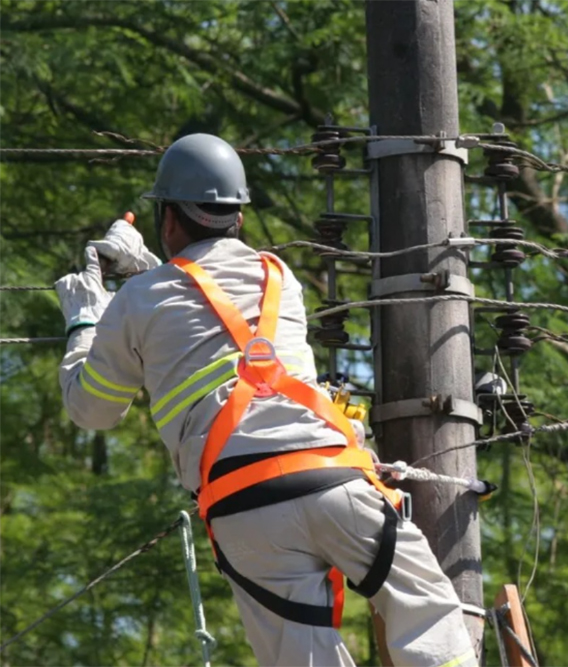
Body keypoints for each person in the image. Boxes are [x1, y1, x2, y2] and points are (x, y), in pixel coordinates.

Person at [55, 133, 476, 667]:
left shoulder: (139, 302)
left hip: (246, 513)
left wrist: (86, 319)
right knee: (430, 617)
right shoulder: (281, 277)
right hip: (331, 480)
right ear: (240, 218)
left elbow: (92, 408)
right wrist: (148, 270)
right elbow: (206, 301)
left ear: (167, 221)